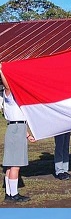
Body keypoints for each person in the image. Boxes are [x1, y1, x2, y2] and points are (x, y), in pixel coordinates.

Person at [1, 69, 36, 203]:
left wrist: (27, 135)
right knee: (15, 165)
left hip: (18, 128)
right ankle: (14, 194)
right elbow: (7, 86)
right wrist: (2, 71)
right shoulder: (9, 95)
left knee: (11, 165)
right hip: (16, 129)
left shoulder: (17, 97)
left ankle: (9, 194)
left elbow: (21, 119)